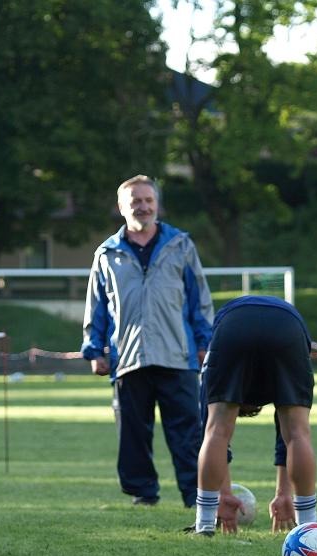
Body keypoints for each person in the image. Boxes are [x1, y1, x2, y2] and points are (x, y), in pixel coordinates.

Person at [81, 174, 214, 508]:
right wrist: (94, 349)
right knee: (133, 435)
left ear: (157, 204)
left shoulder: (181, 245)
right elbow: (96, 306)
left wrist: (204, 344)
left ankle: (194, 494)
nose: (143, 207)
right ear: (122, 207)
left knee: (188, 434)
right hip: (128, 356)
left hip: (177, 355)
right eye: (135, 201)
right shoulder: (106, 254)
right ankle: (143, 493)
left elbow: (200, 299)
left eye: (148, 201)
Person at [191, 295, 317, 536]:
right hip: (287, 324)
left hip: (233, 325)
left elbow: (208, 427)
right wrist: (283, 493)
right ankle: (309, 526)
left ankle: (204, 523)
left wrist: (224, 494)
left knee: (217, 430)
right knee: (298, 432)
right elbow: (288, 438)